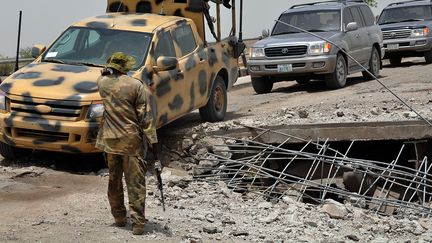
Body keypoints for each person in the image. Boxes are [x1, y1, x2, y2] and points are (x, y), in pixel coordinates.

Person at [95, 52, 159, 235]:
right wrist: (154, 144)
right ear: (125, 67)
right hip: (130, 142)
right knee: (135, 183)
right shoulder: (136, 86)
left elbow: (101, 76)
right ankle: (138, 224)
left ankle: (119, 217)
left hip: (109, 140)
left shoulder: (102, 83)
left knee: (114, 181)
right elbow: (146, 118)